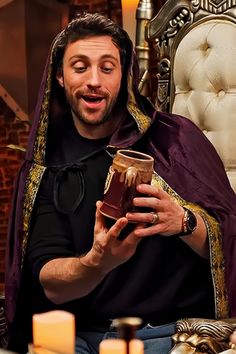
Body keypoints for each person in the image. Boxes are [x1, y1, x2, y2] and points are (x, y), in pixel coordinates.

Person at [4, 12, 236, 354]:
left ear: (125, 75)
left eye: (107, 67)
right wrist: (98, 261)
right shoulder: (48, 164)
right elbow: (50, 282)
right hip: (77, 337)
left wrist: (184, 222)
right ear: (60, 77)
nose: (94, 80)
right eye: (80, 66)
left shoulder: (175, 141)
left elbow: (230, 233)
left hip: (170, 336)